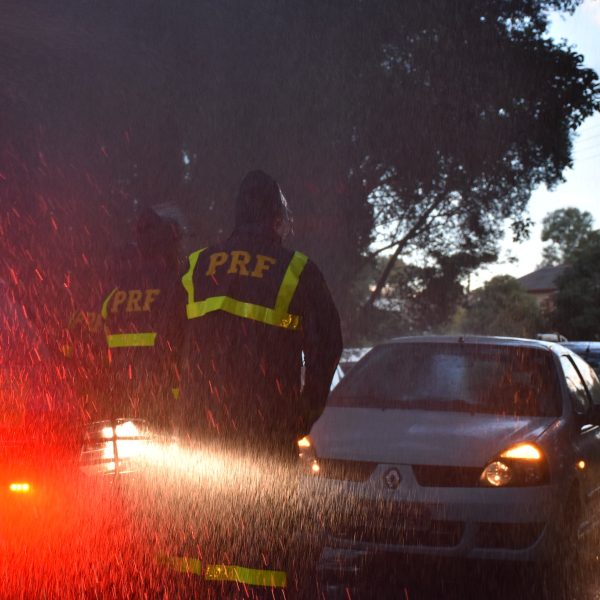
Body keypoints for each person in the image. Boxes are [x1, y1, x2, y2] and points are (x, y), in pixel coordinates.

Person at [178, 170, 342, 596]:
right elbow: (329, 345)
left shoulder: (197, 266)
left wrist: (177, 409)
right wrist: (305, 412)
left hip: (200, 433)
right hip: (265, 431)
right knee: (263, 544)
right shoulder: (297, 270)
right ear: (275, 217)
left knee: (201, 540)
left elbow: (170, 345)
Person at [95, 207, 185, 429]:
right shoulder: (177, 289)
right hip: (165, 407)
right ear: (168, 244)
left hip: (119, 409)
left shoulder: (114, 295)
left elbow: (96, 350)